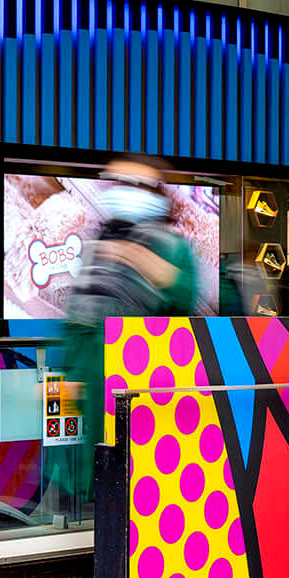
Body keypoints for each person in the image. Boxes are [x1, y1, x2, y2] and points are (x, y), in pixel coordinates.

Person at [51, 158, 199, 504]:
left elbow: (184, 302)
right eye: (118, 181)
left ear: (157, 195)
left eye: (137, 185)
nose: (124, 191)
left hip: (141, 396)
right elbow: (77, 322)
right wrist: (59, 387)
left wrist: (135, 256)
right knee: (79, 493)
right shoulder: (98, 244)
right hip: (86, 390)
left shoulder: (171, 246)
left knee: (131, 497)